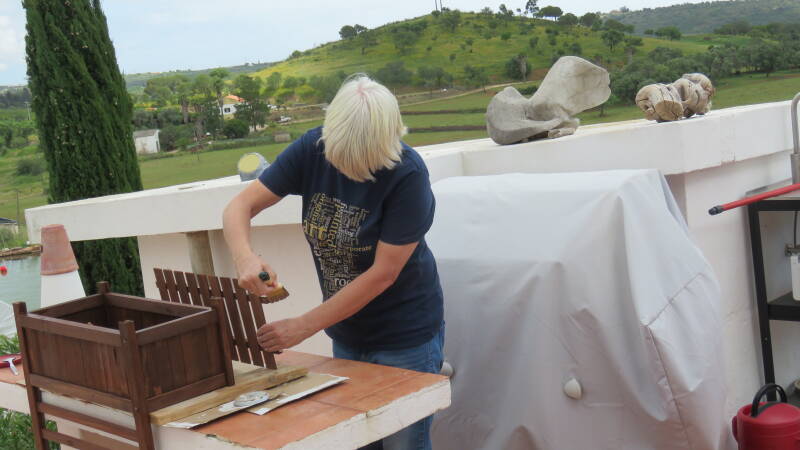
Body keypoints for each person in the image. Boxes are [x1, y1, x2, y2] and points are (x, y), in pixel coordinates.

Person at [222, 74, 444, 450]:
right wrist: (246, 257)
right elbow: (239, 206)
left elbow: (382, 275)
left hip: (404, 338)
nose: (347, 171)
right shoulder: (312, 148)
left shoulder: (408, 174)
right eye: (341, 159)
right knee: (359, 442)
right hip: (347, 334)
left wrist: (303, 326)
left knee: (403, 445)